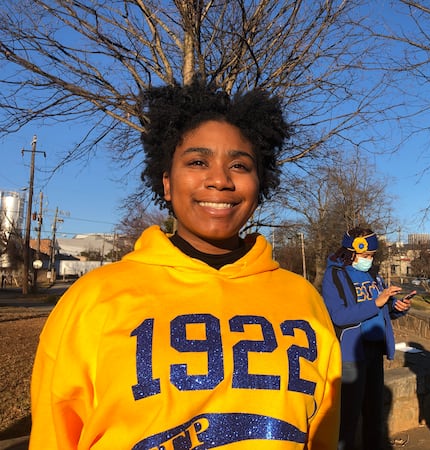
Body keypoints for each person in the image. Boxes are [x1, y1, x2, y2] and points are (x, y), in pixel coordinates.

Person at [30, 78, 341, 450]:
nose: (220, 180)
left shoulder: (303, 299)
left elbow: (323, 430)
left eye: (240, 166)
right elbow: (54, 434)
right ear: (166, 182)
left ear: (260, 185)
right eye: (197, 161)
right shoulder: (93, 299)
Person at [320, 227, 411, 450]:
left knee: (374, 414)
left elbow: (381, 311)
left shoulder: (373, 275)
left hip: (374, 351)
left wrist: (396, 307)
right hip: (350, 355)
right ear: (350, 252)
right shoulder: (334, 276)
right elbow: (339, 316)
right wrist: (377, 303)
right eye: (365, 256)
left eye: (371, 256)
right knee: (348, 419)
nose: (368, 260)